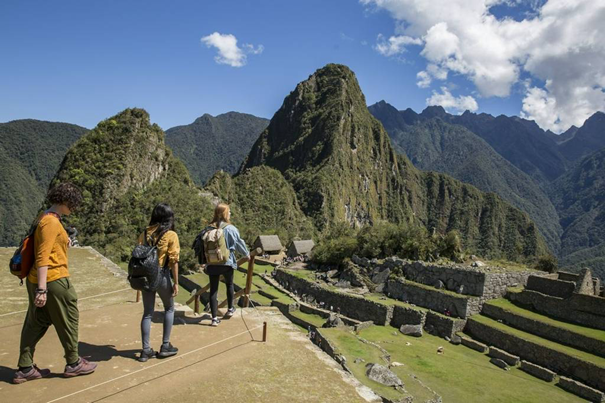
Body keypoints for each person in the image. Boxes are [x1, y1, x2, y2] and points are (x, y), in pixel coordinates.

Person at [14, 183, 97, 384]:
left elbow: (46, 246)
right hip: (53, 280)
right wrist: (42, 289)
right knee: (69, 318)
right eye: (73, 204)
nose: (73, 208)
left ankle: (25, 367)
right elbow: (43, 257)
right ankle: (73, 362)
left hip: (36, 280)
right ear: (66, 201)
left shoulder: (45, 217)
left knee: (36, 322)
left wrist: (64, 239)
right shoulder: (51, 223)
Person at [137, 203, 180, 362]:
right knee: (169, 308)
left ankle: (145, 350)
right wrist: (176, 282)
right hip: (161, 276)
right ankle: (165, 345)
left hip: (145, 277)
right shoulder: (171, 235)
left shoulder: (144, 233)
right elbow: (174, 261)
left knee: (147, 313)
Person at [206, 203, 249, 327]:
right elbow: (238, 243)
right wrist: (246, 254)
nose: (230, 214)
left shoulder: (209, 228)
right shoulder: (231, 229)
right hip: (227, 262)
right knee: (229, 284)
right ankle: (230, 309)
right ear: (225, 214)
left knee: (213, 289)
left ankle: (214, 318)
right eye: (229, 212)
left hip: (212, 262)